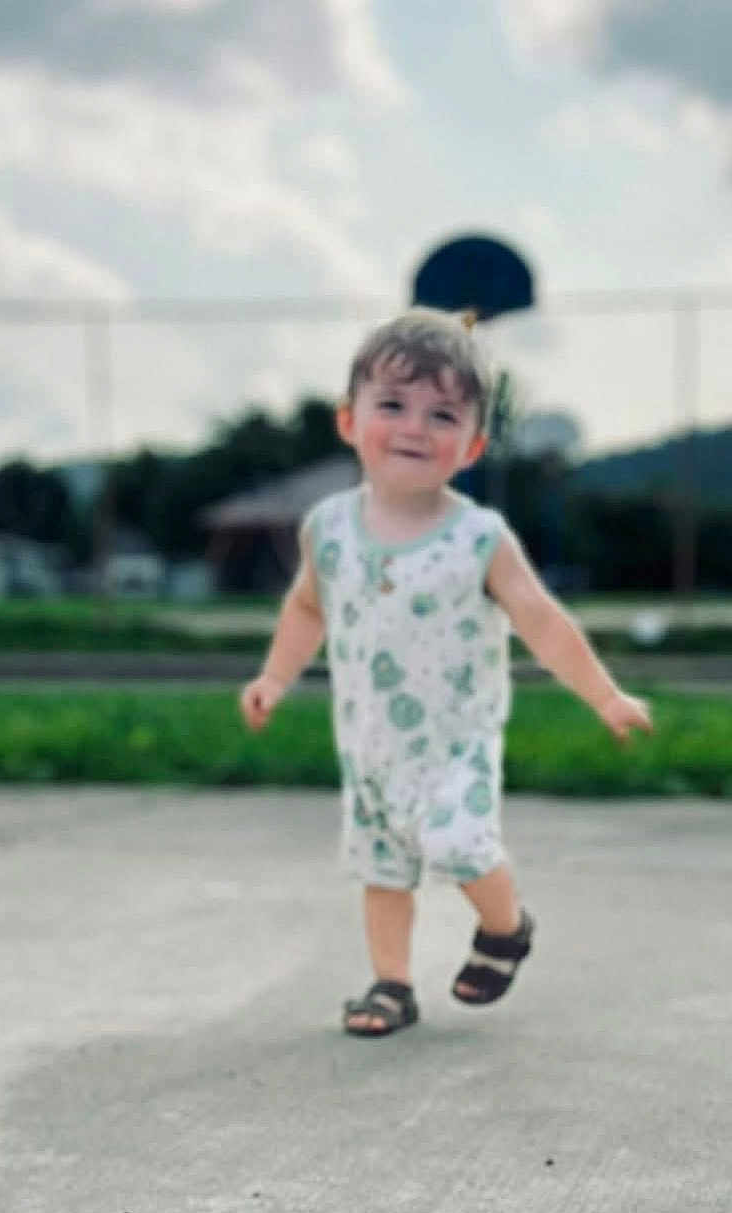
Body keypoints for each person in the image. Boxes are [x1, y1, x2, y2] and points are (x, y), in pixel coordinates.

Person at [239, 308, 653, 1036]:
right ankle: (391, 986)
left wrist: (606, 696)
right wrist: (274, 677)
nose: (415, 428)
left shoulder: (477, 538)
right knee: (382, 874)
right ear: (348, 420)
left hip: (455, 743)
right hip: (370, 748)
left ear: (472, 445)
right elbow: (306, 608)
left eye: (442, 415)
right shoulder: (328, 529)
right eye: (393, 405)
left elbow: (542, 622)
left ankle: (505, 927)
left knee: (459, 845)